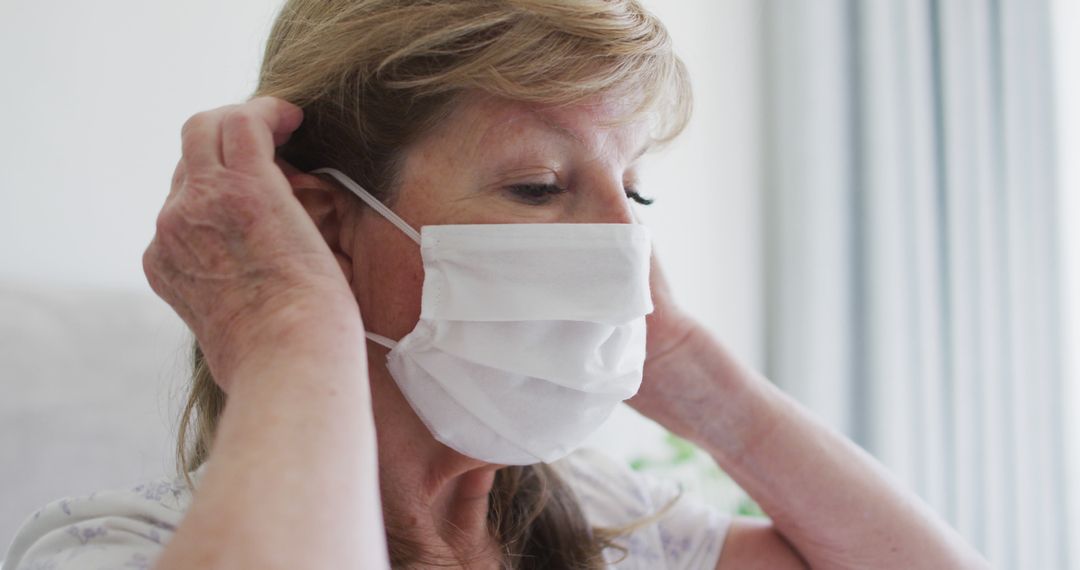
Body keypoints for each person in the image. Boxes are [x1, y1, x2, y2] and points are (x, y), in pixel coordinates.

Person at [3, 1, 991, 569]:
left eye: (637, 189)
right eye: (539, 185)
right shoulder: (112, 547)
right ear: (325, 222)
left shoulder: (609, 528)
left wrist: (699, 378)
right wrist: (284, 323)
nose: (622, 244)